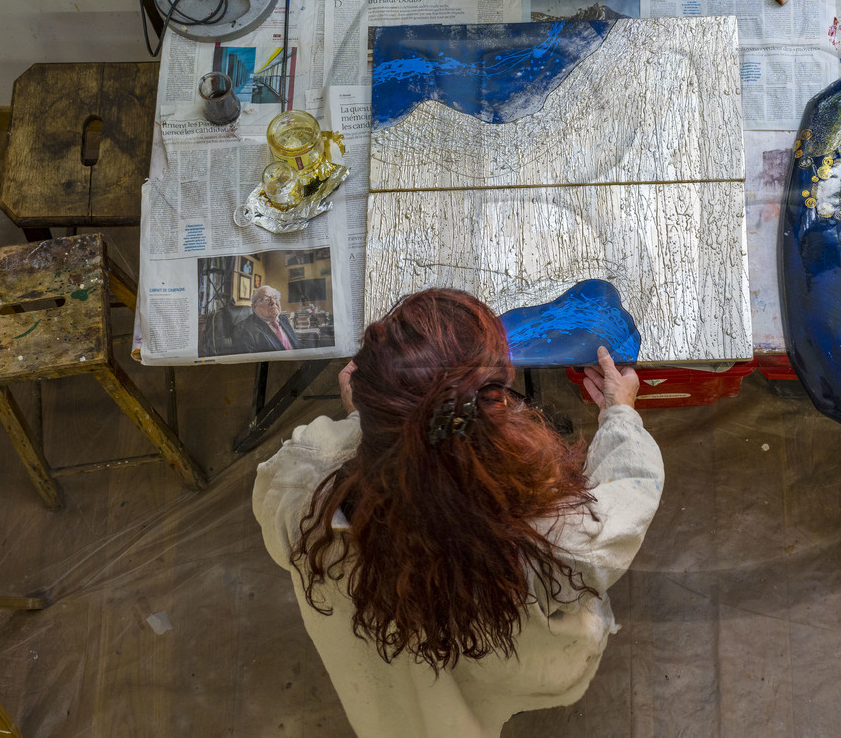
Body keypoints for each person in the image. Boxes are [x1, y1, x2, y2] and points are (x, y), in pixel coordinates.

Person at [253, 288, 662, 738]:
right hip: (513, 658)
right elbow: (627, 499)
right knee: (495, 688)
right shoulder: (550, 532)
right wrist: (620, 414)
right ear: (497, 404)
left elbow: (303, 472)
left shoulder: (300, 496)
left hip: (402, 692)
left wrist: (371, 421)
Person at [232, 287, 301, 354]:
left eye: (275, 298)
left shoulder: (283, 319)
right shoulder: (242, 330)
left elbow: (296, 345)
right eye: (266, 299)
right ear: (254, 307)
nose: (273, 302)